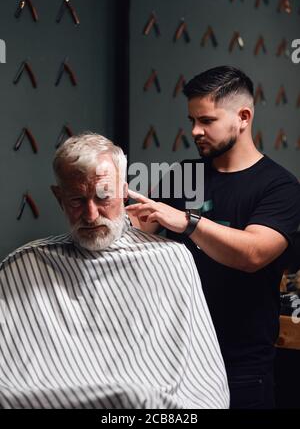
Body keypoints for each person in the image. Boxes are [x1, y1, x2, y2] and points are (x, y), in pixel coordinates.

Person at [0, 133, 229, 409]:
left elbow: (203, 380)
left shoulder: (171, 259)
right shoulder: (24, 266)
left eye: (103, 197)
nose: (91, 214)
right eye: (76, 200)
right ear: (58, 197)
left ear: (123, 191)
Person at [126, 66, 300, 409]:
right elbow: (136, 234)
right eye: (192, 120)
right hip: (176, 357)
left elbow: (253, 254)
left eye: (206, 120)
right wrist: (108, 216)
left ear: (243, 117)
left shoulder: (280, 186)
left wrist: (188, 221)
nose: (195, 131)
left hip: (241, 366)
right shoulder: (184, 174)